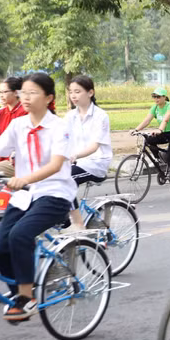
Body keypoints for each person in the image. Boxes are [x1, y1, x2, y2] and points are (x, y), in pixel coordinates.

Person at [0, 73, 76, 321]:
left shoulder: (59, 127)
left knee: (20, 235)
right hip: (24, 197)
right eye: (23, 93)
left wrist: (26, 178)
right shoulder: (18, 126)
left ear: (49, 97)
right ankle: (19, 294)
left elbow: (56, 164)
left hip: (55, 194)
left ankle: (27, 298)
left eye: (32, 93)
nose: (25, 98)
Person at [64, 76, 112, 230]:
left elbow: (94, 146)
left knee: (67, 179)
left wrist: (75, 155)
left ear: (90, 92)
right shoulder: (70, 116)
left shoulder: (100, 116)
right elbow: (59, 138)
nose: (73, 96)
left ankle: (77, 224)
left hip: (95, 163)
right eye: (71, 92)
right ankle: (62, 216)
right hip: (75, 162)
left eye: (77, 91)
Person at [131, 87, 170, 193]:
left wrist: (160, 129)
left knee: (169, 156)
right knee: (150, 140)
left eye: (158, 97)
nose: (156, 99)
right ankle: (158, 160)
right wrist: (136, 129)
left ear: (164, 97)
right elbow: (147, 120)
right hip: (165, 133)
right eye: (154, 97)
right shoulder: (155, 108)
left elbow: (166, 119)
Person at [0, 77, 27, 177]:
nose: (1, 95)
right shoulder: (2, 112)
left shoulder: (24, 112)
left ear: (16, 93)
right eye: (0, 92)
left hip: (16, 162)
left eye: (5, 92)